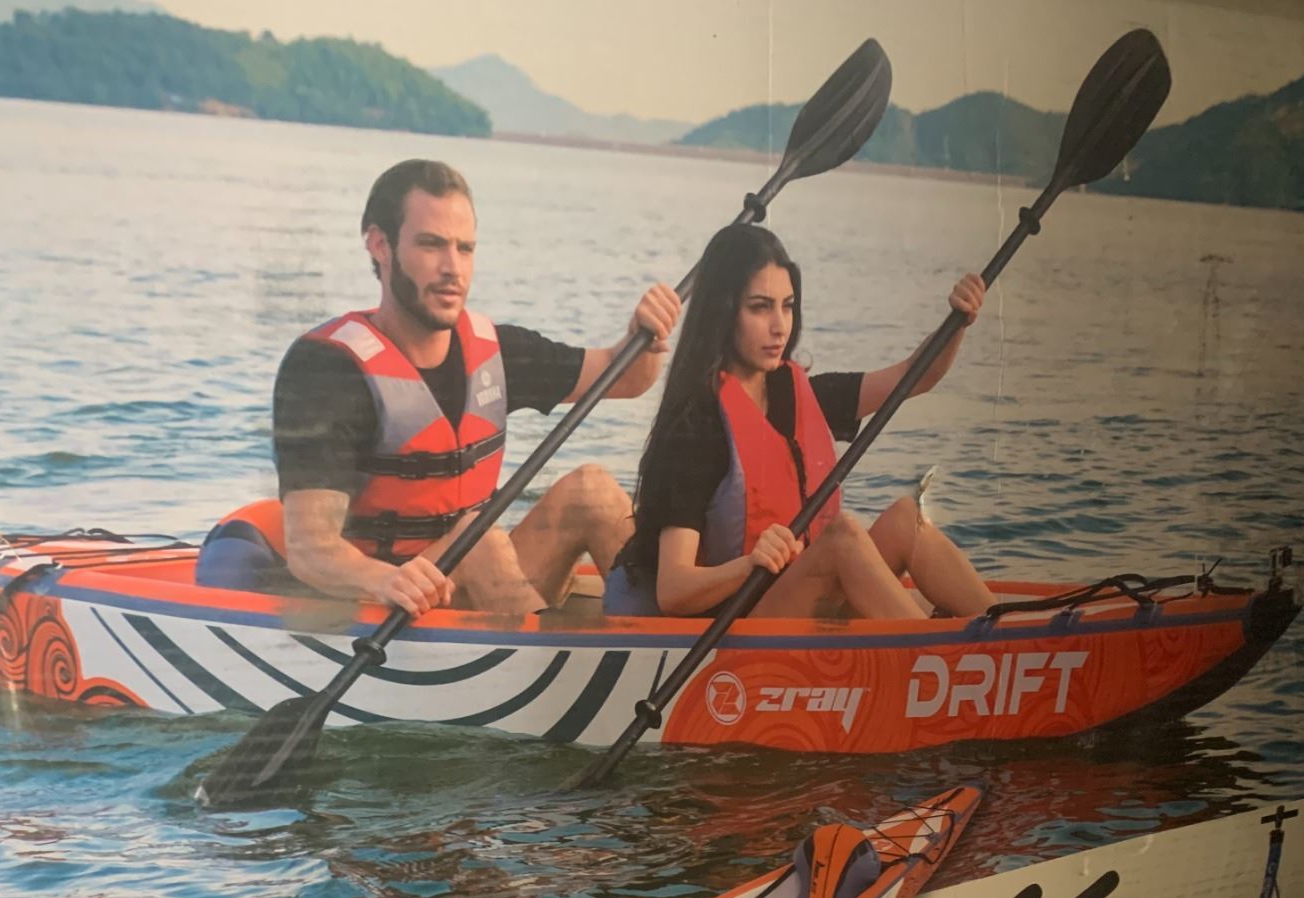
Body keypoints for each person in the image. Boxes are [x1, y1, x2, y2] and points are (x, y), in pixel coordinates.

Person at [197, 159, 680, 616]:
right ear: (380, 245)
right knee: (479, 539)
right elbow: (311, 549)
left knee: (592, 490)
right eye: (431, 245)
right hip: (380, 605)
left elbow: (625, 376)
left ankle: (666, 637)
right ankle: (544, 661)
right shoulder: (326, 371)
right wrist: (383, 579)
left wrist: (646, 335)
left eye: (465, 249)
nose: (453, 268)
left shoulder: (496, 351)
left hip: (471, 581)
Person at [604, 223, 996, 622]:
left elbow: (915, 376)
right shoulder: (696, 427)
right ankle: (934, 651)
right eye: (760, 307)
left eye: (787, 306)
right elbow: (674, 590)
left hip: (796, 598)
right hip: (728, 624)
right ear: (723, 312)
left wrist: (958, 323)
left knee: (905, 519)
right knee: (842, 537)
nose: (780, 326)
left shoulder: (798, 392)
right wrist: (750, 564)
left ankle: (1009, 630)